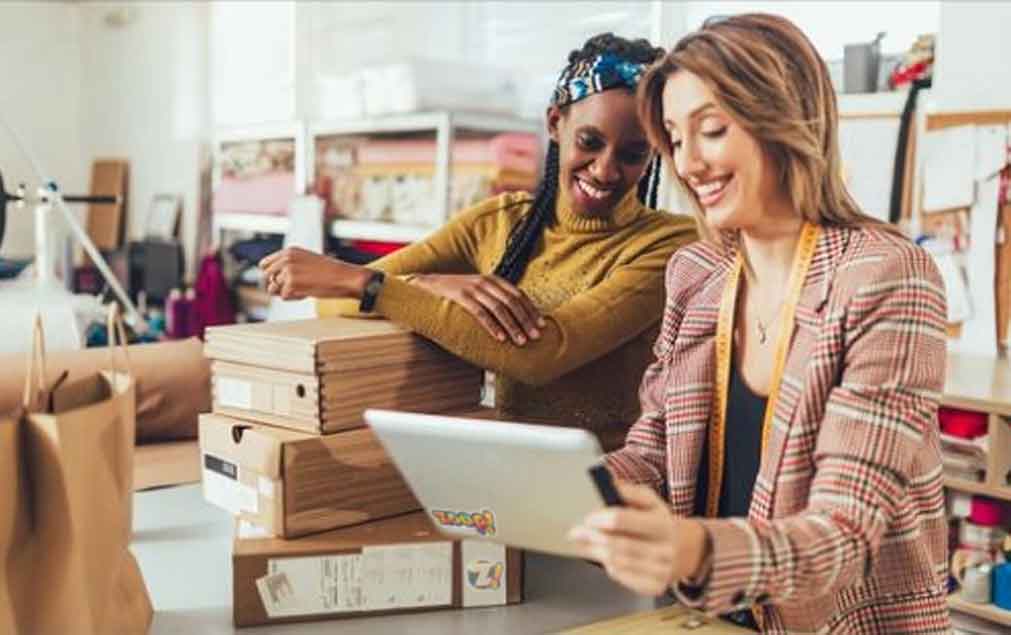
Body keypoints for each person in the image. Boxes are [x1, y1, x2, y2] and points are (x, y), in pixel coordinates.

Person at [568, 14, 950, 633]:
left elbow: (845, 534)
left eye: (711, 130)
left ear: (785, 121)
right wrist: (572, 489)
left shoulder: (886, 278)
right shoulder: (696, 274)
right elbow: (657, 453)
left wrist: (692, 549)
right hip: (718, 620)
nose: (689, 162)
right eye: (674, 136)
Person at [259, 33, 698, 451]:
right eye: (590, 142)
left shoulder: (668, 246)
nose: (604, 170)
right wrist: (426, 284)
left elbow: (544, 354)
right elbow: (332, 301)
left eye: (632, 154)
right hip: (505, 469)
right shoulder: (499, 222)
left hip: (611, 486)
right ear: (554, 123)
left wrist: (377, 286)